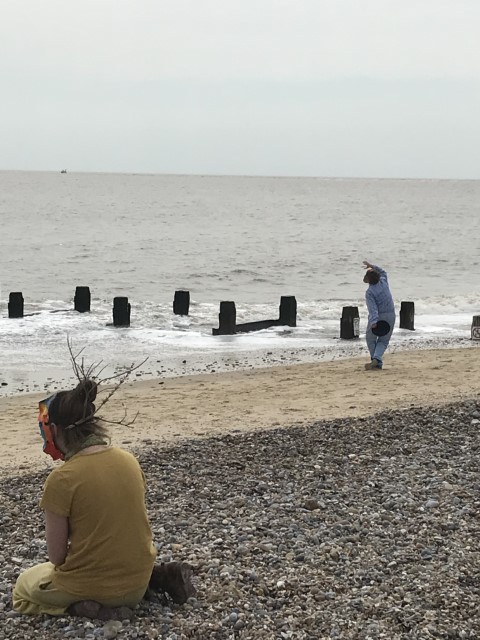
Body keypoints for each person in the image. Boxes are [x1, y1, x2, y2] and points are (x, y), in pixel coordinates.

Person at [12, 379, 158, 618]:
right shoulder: (128, 460)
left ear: (55, 430)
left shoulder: (62, 479)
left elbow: (57, 557)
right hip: (137, 584)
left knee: (23, 586)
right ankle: (155, 580)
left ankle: (77, 608)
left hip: (93, 588)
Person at [362, 260, 395, 370]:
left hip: (379, 317)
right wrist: (372, 266)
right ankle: (377, 359)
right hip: (391, 316)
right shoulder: (383, 280)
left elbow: (373, 309)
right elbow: (383, 271)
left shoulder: (370, 292)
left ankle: (375, 360)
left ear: (368, 280)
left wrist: (374, 321)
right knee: (384, 341)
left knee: (370, 339)